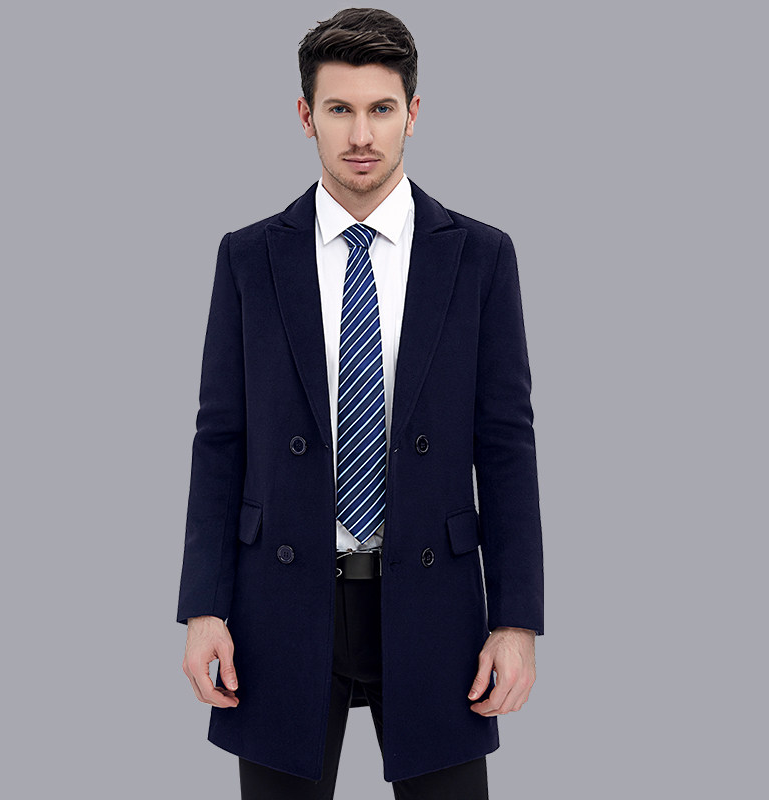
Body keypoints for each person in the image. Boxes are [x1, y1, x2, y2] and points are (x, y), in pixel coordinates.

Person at [176, 8, 544, 799]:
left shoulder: (481, 257)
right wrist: (204, 609)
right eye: (339, 108)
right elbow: (221, 439)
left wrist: (516, 621)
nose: (362, 134)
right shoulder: (249, 257)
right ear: (305, 114)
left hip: (435, 601)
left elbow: (507, 446)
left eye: (381, 108)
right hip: (279, 602)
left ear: (414, 112)